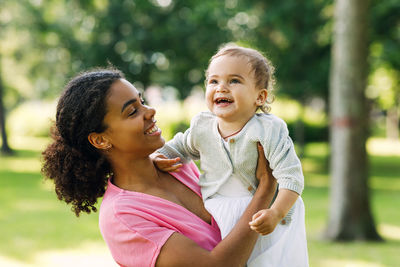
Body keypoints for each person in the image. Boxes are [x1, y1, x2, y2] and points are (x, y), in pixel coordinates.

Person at [41, 68, 278, 267]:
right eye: (132, 111)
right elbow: (216, 264)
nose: (150, 111)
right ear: (100, 140)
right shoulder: (122, 217)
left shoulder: (176, 165)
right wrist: (265, 190)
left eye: (142, 101)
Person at [154, 44, 309, 266]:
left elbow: (291, 177)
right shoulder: (202, 126)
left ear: (260, 97)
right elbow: (180, 147)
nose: (222, 88)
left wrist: (275, 213)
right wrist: (158, 155)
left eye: (234, 81)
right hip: (218, 210)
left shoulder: (268, 130)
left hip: (264, 214)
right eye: (214, 81)